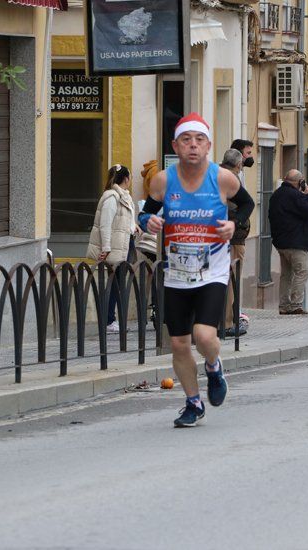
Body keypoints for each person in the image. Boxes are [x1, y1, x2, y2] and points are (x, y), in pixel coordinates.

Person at [140, 113, 255, 427]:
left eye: (199, 140)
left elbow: (246, 204)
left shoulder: (222, 179)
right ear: (176, 146)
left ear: (208, 146)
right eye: (186, 140)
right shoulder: (164, 180)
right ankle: (193, 402)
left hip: (212, 271)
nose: (193, 146)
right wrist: (146, 222)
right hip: (176, 273)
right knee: (178, 343)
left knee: (203, 335)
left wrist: (234, 223)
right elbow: (144, 212)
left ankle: (214, 366)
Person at [86, 164, 137, 334]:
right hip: (115, 247)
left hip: (123, 244)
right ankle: (108, 321)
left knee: (118, 284)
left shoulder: (123, 196)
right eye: (130, 176)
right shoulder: (112, 197)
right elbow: (105, 225)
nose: (131, 179)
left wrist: (133, 227)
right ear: (126, 178)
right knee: (114, 284)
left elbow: (123, 220)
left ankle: (111, 320)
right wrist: (106, 247)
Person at [269, 169, 308, 315]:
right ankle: (296, 304)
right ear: (300, 182)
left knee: (286, 274)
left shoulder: (276, 195)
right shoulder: (295, 196)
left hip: (280, 243)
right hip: (296, 242)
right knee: (302, 272)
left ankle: (283, 305)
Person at [220, 149, 250, 337]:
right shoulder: (231, 180)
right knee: (231, 279)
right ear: (238, 165)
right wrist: (238, 221)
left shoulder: (216, 174)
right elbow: (240, 205)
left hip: (225, 236)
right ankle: (227, 322)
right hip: (233, 238)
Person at [136, 160, 161, 324]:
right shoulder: (157, 172)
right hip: (156, 235)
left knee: (157, 273)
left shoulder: (154, 170)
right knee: (159, 273)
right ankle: (157, 309)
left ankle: (156, 308)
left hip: (152, 235)